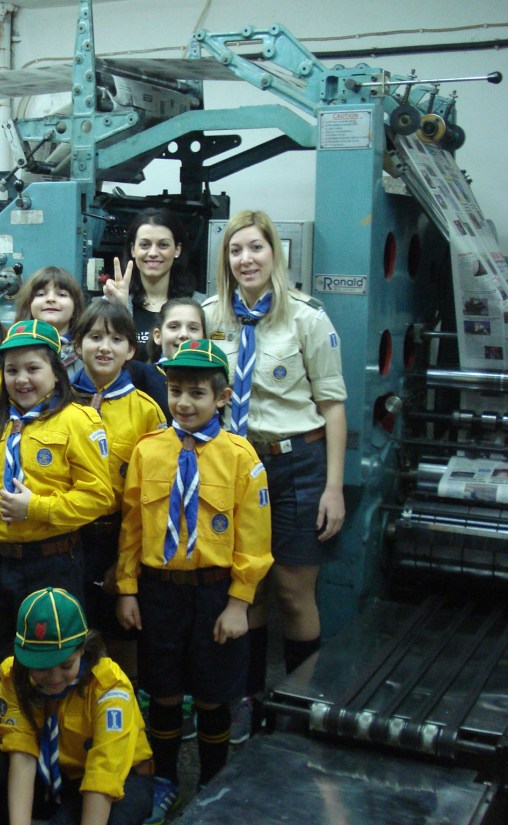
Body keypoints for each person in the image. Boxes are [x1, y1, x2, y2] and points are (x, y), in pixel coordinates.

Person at [203, 210, 347, 739]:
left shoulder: (306, 318)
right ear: (225, 260)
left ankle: (302, 707)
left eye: (256, 248)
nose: (246, 259)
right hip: (235, 466)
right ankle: (251, 701)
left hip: (295, 465)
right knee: (250, 588)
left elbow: (332, 406)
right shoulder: (211, 316)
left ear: (275, 254)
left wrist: (334, 487)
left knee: (291, 591)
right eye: (235, 250)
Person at [115, 339, 273, 819]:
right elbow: (132, 526)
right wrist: (127, 589)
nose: (183, 403)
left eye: (197, 393)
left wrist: (239, 603)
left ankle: (211, 780)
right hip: (159, 591)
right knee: (162, 689)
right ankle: (164, 778)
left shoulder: (241, 457)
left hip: (214, 593)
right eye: (176, 391)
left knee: (212, 695)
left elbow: (254, 539)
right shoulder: (148, 451)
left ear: (222, 398)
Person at [0, 319, 113, 691]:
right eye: (12, 370)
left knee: (54, 661)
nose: (21, 379)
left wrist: (36, 508)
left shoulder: (77, 420)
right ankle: (2, 721)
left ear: (56, 370)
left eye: (33, 368)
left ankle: (54, 724)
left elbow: (99, 496)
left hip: (50, 562)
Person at [0, 587, 154, 825]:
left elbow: (103, 772)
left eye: (66, 665)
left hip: (120, 776)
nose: (54, 678)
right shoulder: (13, 675)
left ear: (83, 649)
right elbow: (22, 752)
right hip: (61, 773)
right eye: (42, 667)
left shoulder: (109, 687)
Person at [70, 301, 165, 680]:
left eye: (116, 339)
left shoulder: (146, 411)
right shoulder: (57, 401)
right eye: (95, 337)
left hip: (120, 536)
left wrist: (125, 566)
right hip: (67, 535)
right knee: (73, 634)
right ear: (77, 345)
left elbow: (151, 498)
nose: (104, 347)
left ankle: (124, 705)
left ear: (130, 350)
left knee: (124, 634)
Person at [103, 209, 197, 357]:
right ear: (133, 250)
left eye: (163, 245)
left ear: (177, 250)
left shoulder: (200, 305)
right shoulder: (113, 302)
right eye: (145, 245)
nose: (153, 253)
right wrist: (119, 310)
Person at [15, 266, 87, 376]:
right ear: (29, 305)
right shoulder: (14, 347)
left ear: (75, 307)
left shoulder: (86, 350)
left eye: (62, 294)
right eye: (41, 294)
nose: (50, 299)